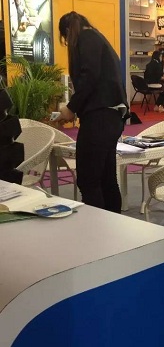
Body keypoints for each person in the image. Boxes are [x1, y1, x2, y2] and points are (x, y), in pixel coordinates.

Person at [54, 11, 128, 213]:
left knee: (88, 180)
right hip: (112, 117)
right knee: (106, 178)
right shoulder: (98, 38)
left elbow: (89, 77)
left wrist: (71, 108)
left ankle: (97, 227)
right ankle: (113, 224)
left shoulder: (86, 39)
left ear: (68, 31)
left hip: (99, 119)